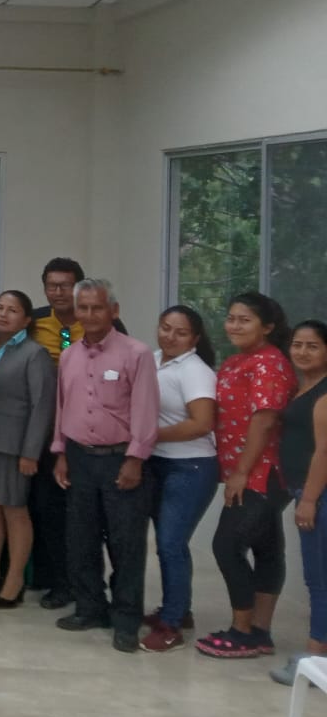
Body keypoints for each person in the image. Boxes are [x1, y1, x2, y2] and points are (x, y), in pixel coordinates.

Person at [51, 278, 158, 654]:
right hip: (79, 458)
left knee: (125, 543)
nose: (89, 315)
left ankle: (126, 620)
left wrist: (135, 459)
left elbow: (145, 410)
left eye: (97, 308)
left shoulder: (136, 353)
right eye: (83, 308)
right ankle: (90, 608)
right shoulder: (69, 356)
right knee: (80, 539)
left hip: (120, 460)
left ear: (114, 310)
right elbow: (63, 407)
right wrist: (61, 452)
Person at [195, 291, 296, 660]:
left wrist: (241, 472)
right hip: (250, 470)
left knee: (227, 544)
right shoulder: (238, 360)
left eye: (244, 320)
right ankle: (259, 631)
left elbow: (265, 419)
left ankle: (242, 630)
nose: (234, 326)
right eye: (231, 318)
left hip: (263, 471)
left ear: (267, 327)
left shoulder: (269, 363)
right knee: (267, 548)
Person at [0, 290, 54, 609]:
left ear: (27, 319)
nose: (4, 314)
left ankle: (14, 579)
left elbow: (42, 406)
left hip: (15, 447)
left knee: (14, 510)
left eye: (13, 310)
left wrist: (31, 452)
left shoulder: (34, 353)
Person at [141, 305, 220, 654]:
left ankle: (171, 625)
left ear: (195, 338)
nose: (170, 337)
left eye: (181, 332)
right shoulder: (153, 359)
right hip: (158, 463)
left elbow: (201, 424)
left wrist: (148, 435)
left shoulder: (195, 370)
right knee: (167, 544)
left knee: (171, 543)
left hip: (191, 467)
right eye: (165, 328)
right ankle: (178, 610)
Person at [273, 320, 327, 685]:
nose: (302, 352)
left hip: (318, 495)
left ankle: (315, 657)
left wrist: (309, 499)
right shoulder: (303, 387)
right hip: (306, 491)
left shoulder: (324, 394)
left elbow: (324, 452)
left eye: (313, 345)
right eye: (297, 344)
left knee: (318, 578)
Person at [29, 257, 84, 610]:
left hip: (85, 432)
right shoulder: (35, 320)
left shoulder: (97, 322)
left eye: (66, 285)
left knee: (79, 513)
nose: (59, 292)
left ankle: (81, 581)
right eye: (52, 285)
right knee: (45, 507)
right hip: (44, 430)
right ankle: (51, 577)